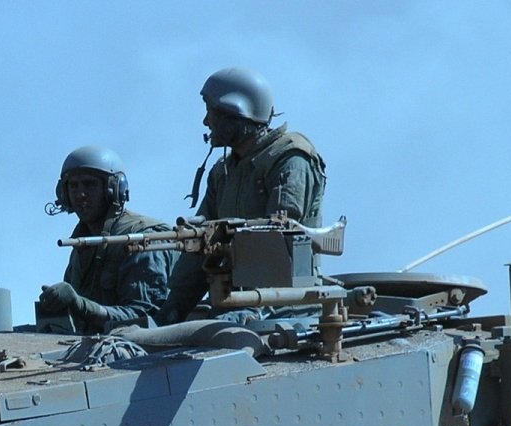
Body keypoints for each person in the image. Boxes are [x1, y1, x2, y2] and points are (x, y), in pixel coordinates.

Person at [161, 67, 328, 323]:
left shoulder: (289, 159)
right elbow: (200, 247)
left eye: (212, 113)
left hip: (287, 311)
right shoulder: (223, 171)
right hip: (235, 308)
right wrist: (169, 312)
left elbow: (279, 239)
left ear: (235, 113)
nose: (206, 122)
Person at [36, 145, 174, 333]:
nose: (80, 194)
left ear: (113, 189)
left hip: (137, 352)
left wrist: (81, 305)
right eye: (73, 186)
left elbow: (146, 317)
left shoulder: (141, 238)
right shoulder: (81, 242)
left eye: (89, 184)